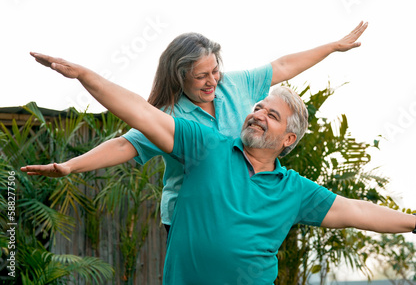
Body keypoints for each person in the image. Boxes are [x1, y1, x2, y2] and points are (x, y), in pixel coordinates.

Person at [27, 53, 416, 284]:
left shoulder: (294, 190)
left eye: (271, 115)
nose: (257, 113)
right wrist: (85, 75)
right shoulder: (206, 147)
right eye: (257, 107)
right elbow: (140, 117)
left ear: (288, 139)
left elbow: (358, 211)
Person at [21, 22, 368, 239]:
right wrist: (70, 166)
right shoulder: (169, 115)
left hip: (236, 204)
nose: (211, 81)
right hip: (190, 215)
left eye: (214, 70)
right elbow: (124, 146)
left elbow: (283, 65)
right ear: (179, 76)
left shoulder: (235, 84)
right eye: (201, 76)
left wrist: (333, 47)